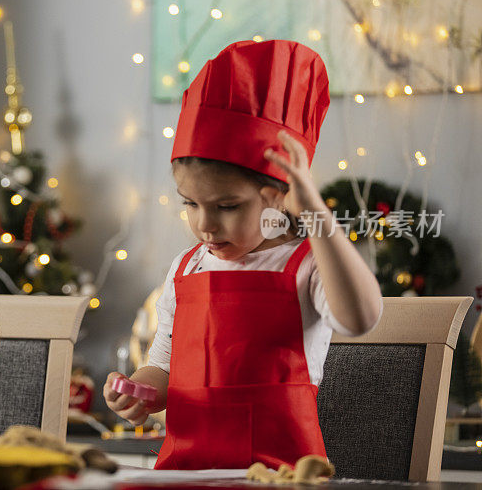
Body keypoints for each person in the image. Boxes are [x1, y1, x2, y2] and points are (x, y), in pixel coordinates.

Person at [103, 40, 383, 470]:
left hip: (280, 472)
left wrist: (315, 211)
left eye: (227, 206)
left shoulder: (306, 264)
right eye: (190, 204)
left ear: (279, 195)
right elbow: (163, 366)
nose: (205, 225)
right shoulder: (187, 266)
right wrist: (138, 392)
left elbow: (358, 318)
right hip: (184, 471)